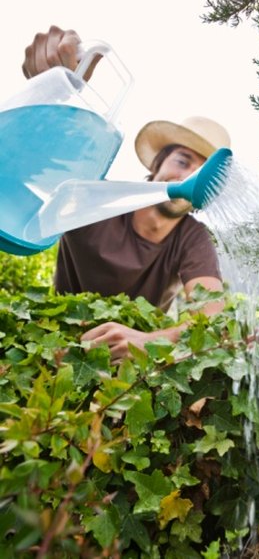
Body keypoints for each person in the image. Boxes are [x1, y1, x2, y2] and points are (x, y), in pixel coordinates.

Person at [23, 26, 231, 364]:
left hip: (132, 375)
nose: (188, 175)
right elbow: (32, 171)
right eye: (182, 161)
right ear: (156, 167)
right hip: (57, 354)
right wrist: (49, 90)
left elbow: (214, 319)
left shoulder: (192, 239)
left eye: (201, 172)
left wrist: (147, 341)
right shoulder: (95, 200)